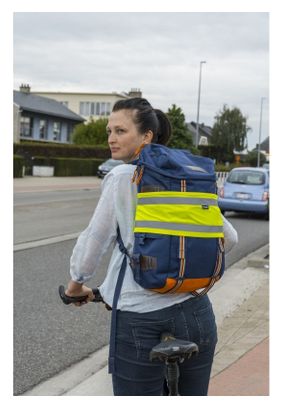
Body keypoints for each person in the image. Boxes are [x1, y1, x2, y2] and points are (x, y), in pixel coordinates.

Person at [65, 97, 238, 396]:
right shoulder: (185, 179)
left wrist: (75, 285)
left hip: (139, 320)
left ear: (146, 136)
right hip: (197, 314)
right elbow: (230, 238)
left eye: (120, 131)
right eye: (109, 131)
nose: (111, 138)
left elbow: (94, 240)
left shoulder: (121, 176)